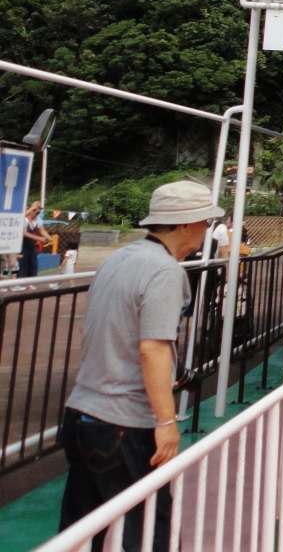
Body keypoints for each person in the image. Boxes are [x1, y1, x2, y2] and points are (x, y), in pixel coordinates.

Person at [59, 180, 223, 552]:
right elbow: (153, 349)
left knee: (78, 532)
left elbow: (97, 330)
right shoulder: (165, 271)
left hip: (82, 414)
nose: (207, 230)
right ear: (185, 224)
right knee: (149, 532)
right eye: (205, 221)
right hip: (125, 422)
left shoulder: (119, 259)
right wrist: (166, 422)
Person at [20, 200, 51, 278]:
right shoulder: (25, 219)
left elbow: (42, 230)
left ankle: (31, 280)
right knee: (23, 264)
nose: (37, 214)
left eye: (38, 212)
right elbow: (24, 233)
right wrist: (39, 238)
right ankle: (21, 280)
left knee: (33, 264)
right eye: (36, 211)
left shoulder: (38, 220)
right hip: (23, 244)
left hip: (32, 245)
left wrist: (50, 238)